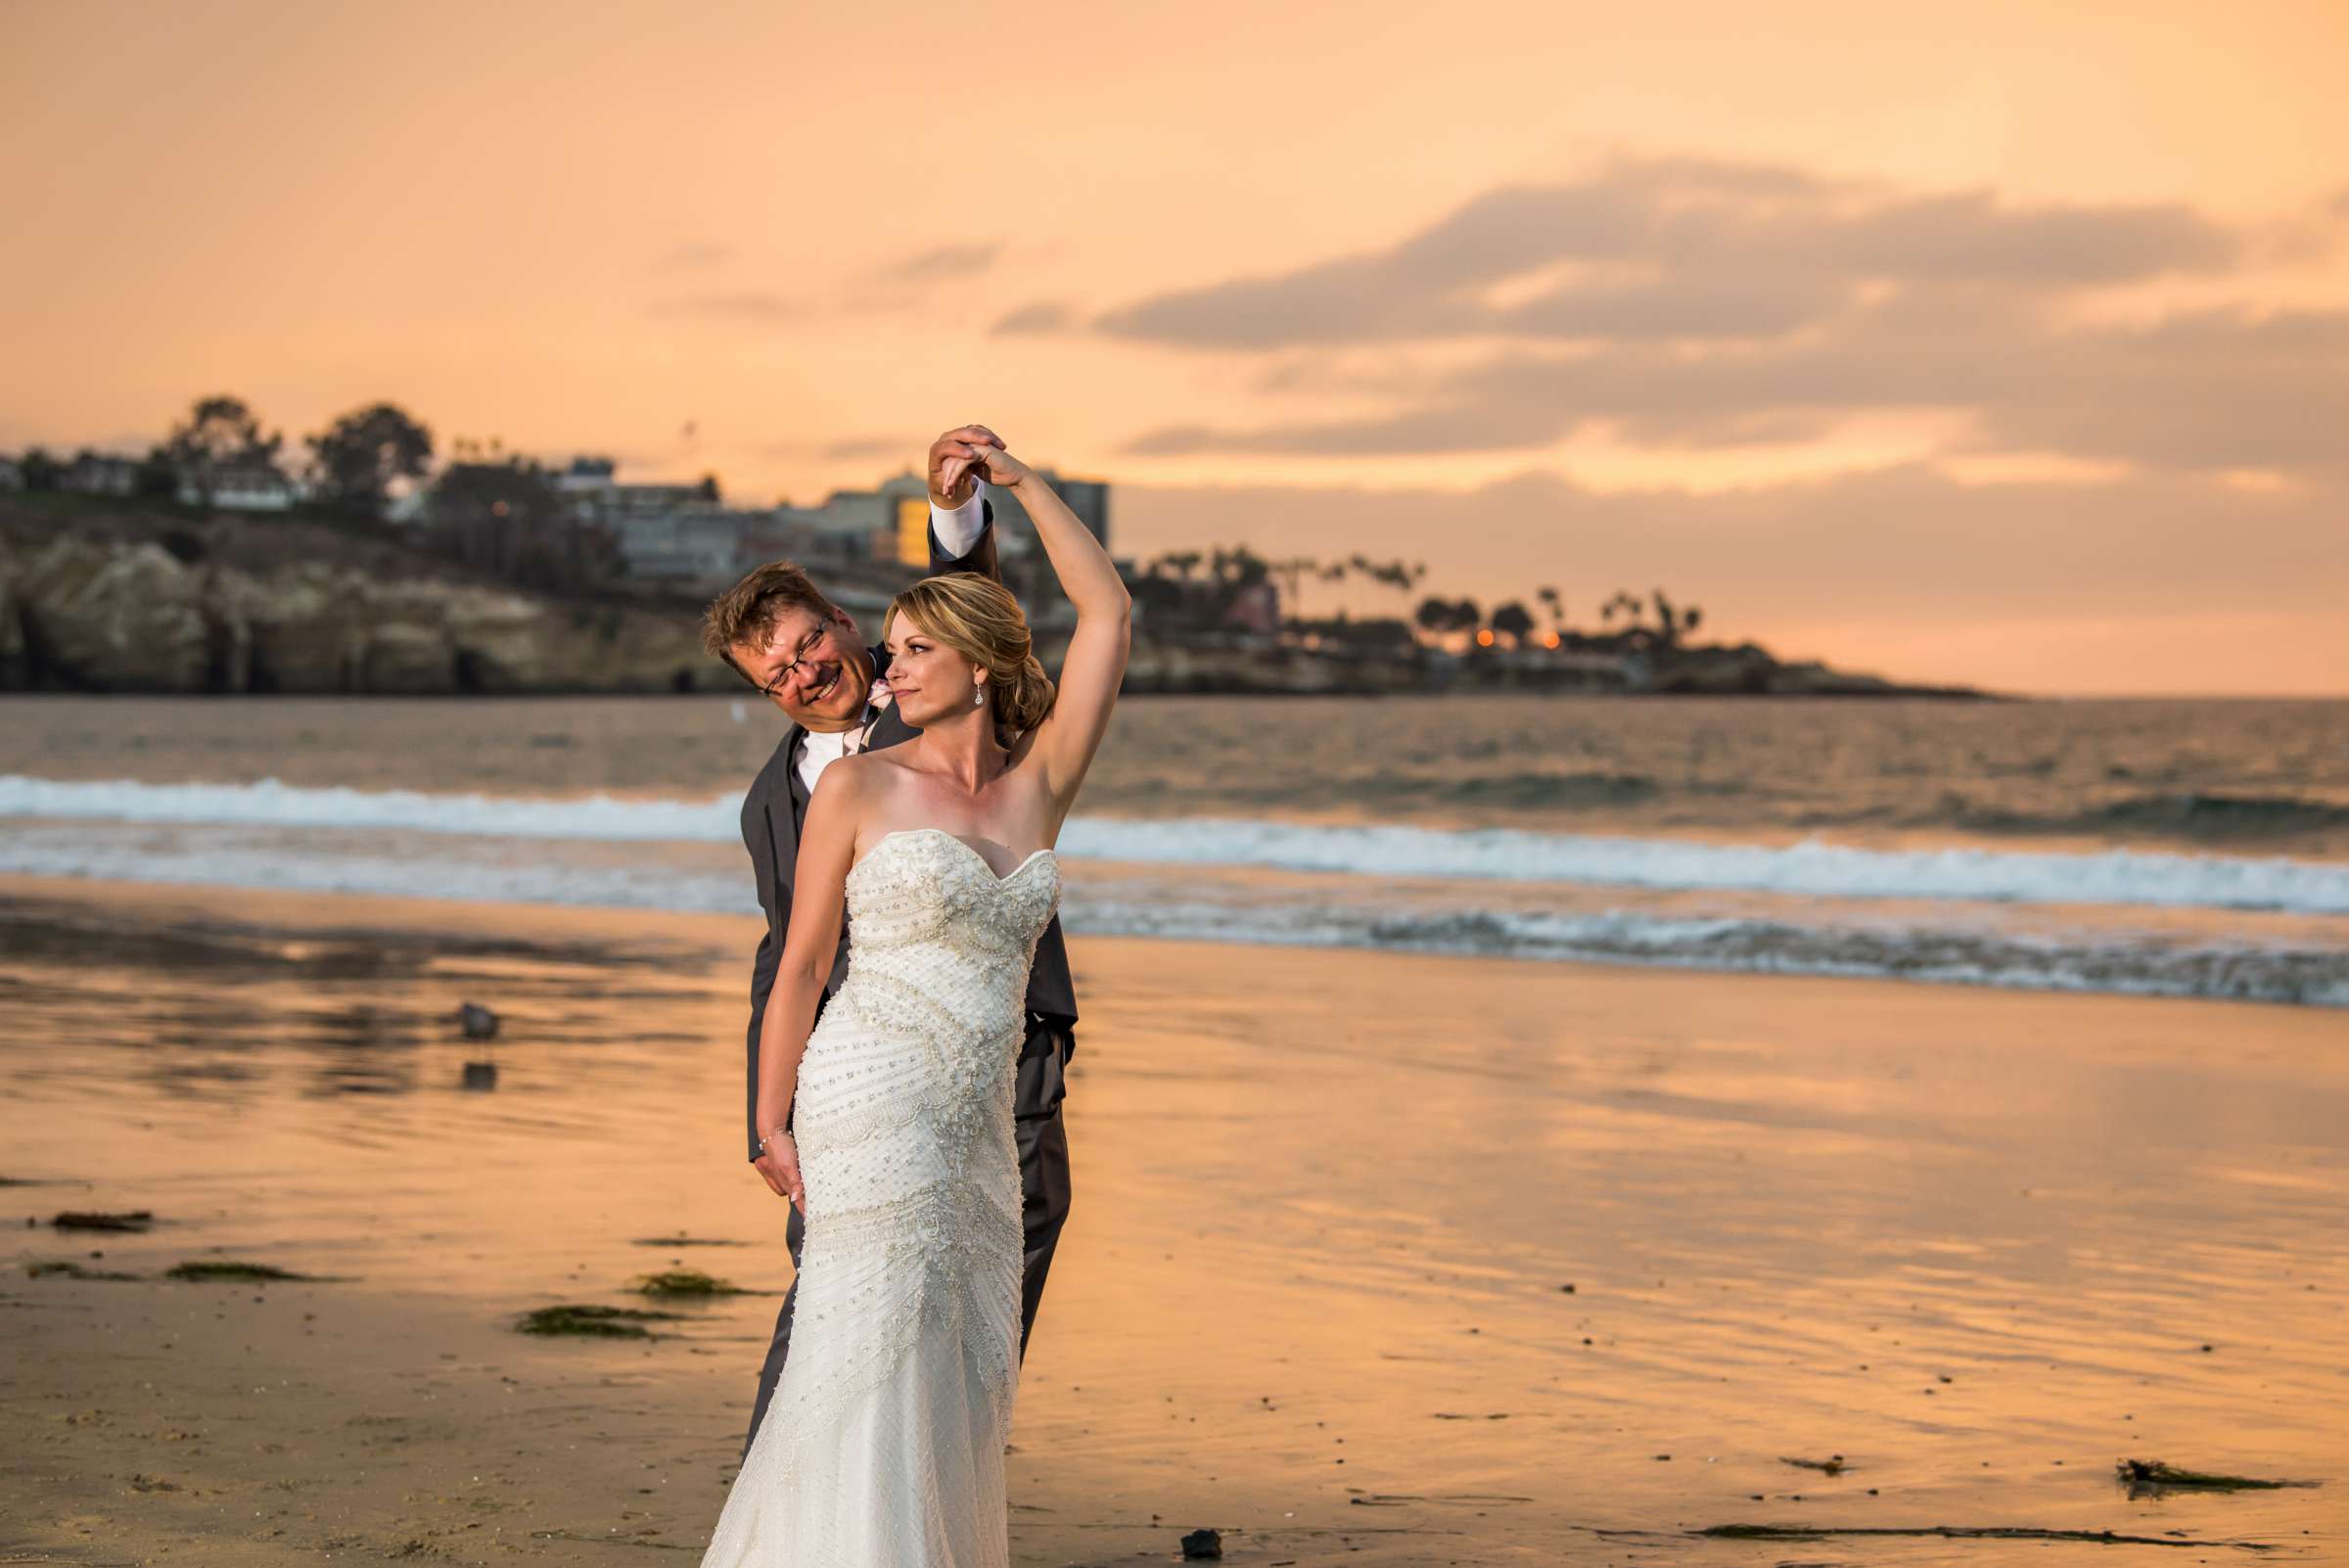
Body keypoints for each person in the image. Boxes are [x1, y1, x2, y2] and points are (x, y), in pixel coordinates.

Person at [698, 435, 1129, 1564]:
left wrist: (1014, 486)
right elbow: (788, 963)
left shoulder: (1004, 758)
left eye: (812, 647)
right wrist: (766, 1115)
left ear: (845, 626)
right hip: (865, 1090)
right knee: (854, 1340)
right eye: (772, 674)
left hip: (996, 1093)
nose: (810, 677)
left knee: (960, 1352)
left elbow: (1064, 615)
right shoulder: (814, 790)